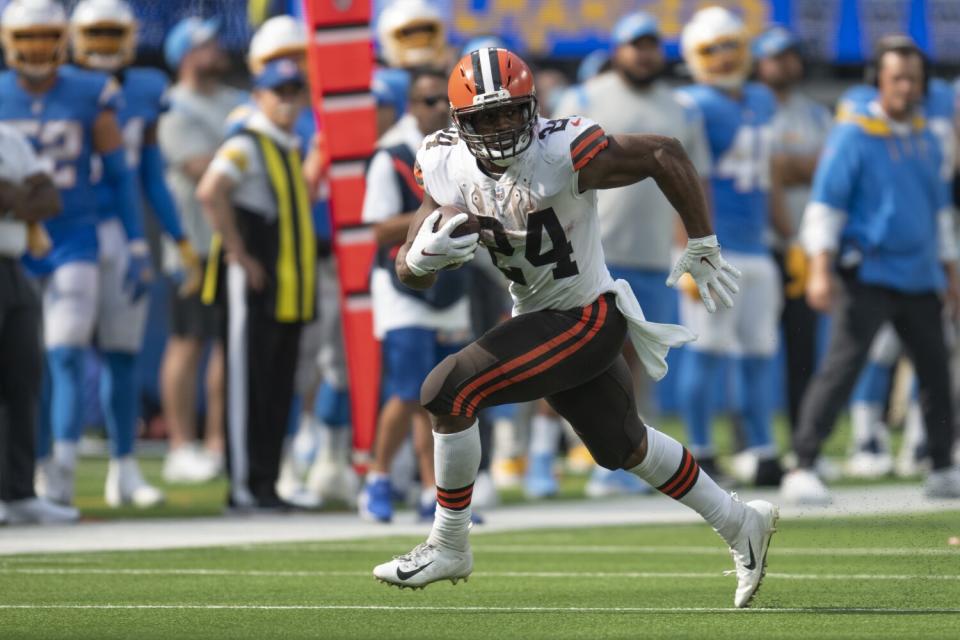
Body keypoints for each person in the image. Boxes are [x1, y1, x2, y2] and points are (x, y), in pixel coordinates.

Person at [371, 46, 778, 610]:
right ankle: (740, 522)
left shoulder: (562, 149)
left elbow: (665, 151)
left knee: (448, 389)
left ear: (532, 109)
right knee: (622, 446)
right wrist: (421, 259)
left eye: (511, 112)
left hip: (586, 315)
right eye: (486, 117)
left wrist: (702, 239)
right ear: (461, 123)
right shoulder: (444, 164)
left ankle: (450, 543)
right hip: (541, 317)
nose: (502, 126)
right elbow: (405, 271)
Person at [781, 36, 960, 504]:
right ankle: (802, 463)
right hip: (870, 272)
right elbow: (826, 206)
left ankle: (941, 465)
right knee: (842, 368)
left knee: (936, 374)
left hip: (921, 275)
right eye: (898, 77)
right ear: (877, 81)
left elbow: (940, 214)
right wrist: (820, 268)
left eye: (914, 79)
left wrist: (951, 273)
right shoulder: (854, 135)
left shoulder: (928, 137)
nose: (907, 86)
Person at [554, 12, 710, 497]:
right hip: (590, 252)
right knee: (582, 357)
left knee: (644, 359)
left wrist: (698, 243)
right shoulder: (583, 99)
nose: (643, 54)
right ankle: (554, 453)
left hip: (651, 253)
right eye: (634, 45)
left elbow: (693, 181)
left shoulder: (682, 106)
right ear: (618, 49)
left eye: (651, 45)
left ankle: (636, 460)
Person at [0, 0, 150, 507]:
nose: (38, 49)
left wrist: (134, 240)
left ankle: (58, 472)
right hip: (11, 245)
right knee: (22, 363)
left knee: (62, 354)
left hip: (75, 239)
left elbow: (120, 174)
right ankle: (32, 466)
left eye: (46, 37)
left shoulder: (90, 93)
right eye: (27, 39)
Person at [71, 0, 203, 507]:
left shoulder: (146, 89)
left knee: (123, 354)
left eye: (112, 34)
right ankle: (47, 467)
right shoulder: (59, 86)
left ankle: (123, 467)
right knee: (53, 354)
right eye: (95, 34)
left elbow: (147, 174)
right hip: (68, 231)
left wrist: (179, 238)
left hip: (123, 232)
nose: (104, 46)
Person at [674, 7, 790, 486]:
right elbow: (680, 181)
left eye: (729, 46)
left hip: (757, 246)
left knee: (758, 351)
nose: (723, 57)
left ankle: (761, 448)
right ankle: (700, 451)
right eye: (711, 49)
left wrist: (791, 236)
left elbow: (773, 175)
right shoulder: (690, 103)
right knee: (708, 351)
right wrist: (689, 251)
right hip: (713, 248)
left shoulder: (762, 98)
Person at [197, 57, 319, 511]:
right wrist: (237, 252)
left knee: (275, 386)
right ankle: (245, 487)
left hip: (285, 282)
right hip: (254, 281)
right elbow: (210, 190)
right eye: (277, 90)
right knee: (247, 386)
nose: (286, 98)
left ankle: (266, 484)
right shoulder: (247, 142)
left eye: (293, 89)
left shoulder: (287, 144)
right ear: (258, 96)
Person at [359, 68, 472, 523]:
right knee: (407, 391)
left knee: (444, 393)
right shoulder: (392, 155)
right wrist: (435, 213)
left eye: (443, 101)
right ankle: (378, 479)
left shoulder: (465, 151)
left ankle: (434, 493)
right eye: (428, 101)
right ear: (411, 106)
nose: (439, 110)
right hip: (402, 282)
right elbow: (378, 228)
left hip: (451, 281)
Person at [834, 76, 957, 478]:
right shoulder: (864, 111)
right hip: (884, 250)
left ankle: (924, 442)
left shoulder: (936, 112)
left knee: (938, 353)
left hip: (931, 239)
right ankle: (867, 437)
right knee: (881, 348)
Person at [158, 16, 244, 484]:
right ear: (187, 55)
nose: (218, 48)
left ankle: (217, 442)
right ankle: (179, 444)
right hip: (194, 244)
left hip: (234, 242)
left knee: (227, 347)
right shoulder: (173, 106)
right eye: (207, 43)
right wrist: (245, 156)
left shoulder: (235, 100)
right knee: (188, 342)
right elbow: (200, 168)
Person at [752, 25, 832, 446]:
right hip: (760, 245)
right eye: (774, 56)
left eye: (789, 55)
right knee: (752, 351)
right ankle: (754, 442)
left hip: (804, 247)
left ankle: (804, 440)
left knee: (803, 351)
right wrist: (791, 168)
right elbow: (771, 172)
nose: (784, 64)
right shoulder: (751, 106)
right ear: (760, 63)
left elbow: (828, 172)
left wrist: (785, 168)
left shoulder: (816, 113)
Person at [0, 122, 78, 524]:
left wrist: (12, 197)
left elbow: (50, 199)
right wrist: (19, 196)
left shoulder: (9, 137)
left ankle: (18, 491)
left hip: (13, 264)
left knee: (23, 378)